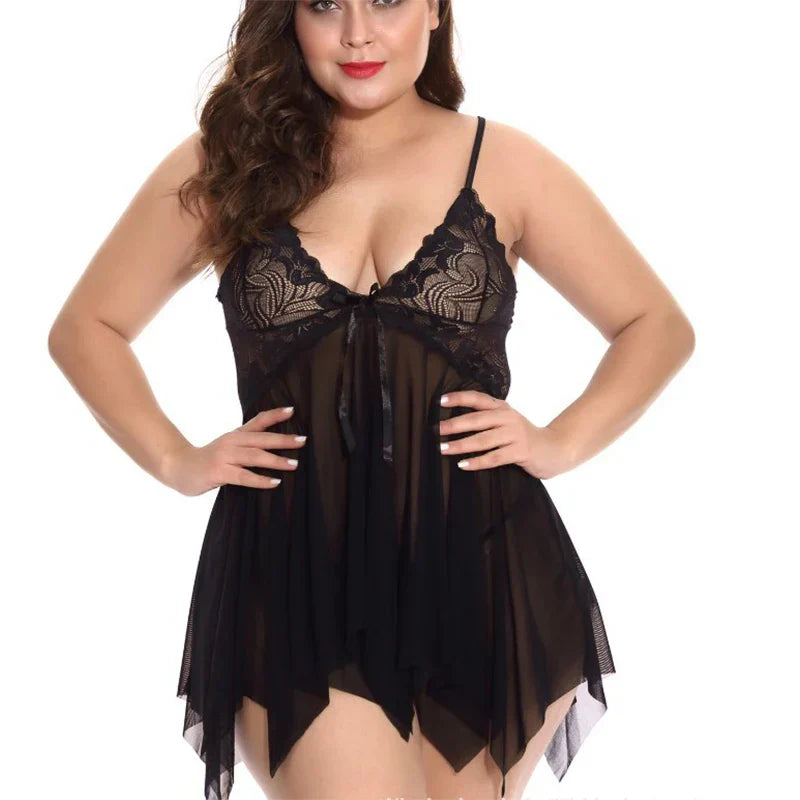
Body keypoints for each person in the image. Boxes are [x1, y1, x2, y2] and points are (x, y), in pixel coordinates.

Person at [48, 1, 695, 799]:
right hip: (294, 573)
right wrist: (175, 459)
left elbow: (654, 324)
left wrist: (559, 441)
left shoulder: (505, 163)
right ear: (289, 17)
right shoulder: (230, 160)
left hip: (482, 568)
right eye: (325, 4)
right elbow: (87, 327)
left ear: (435, 9)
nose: (357, 32)